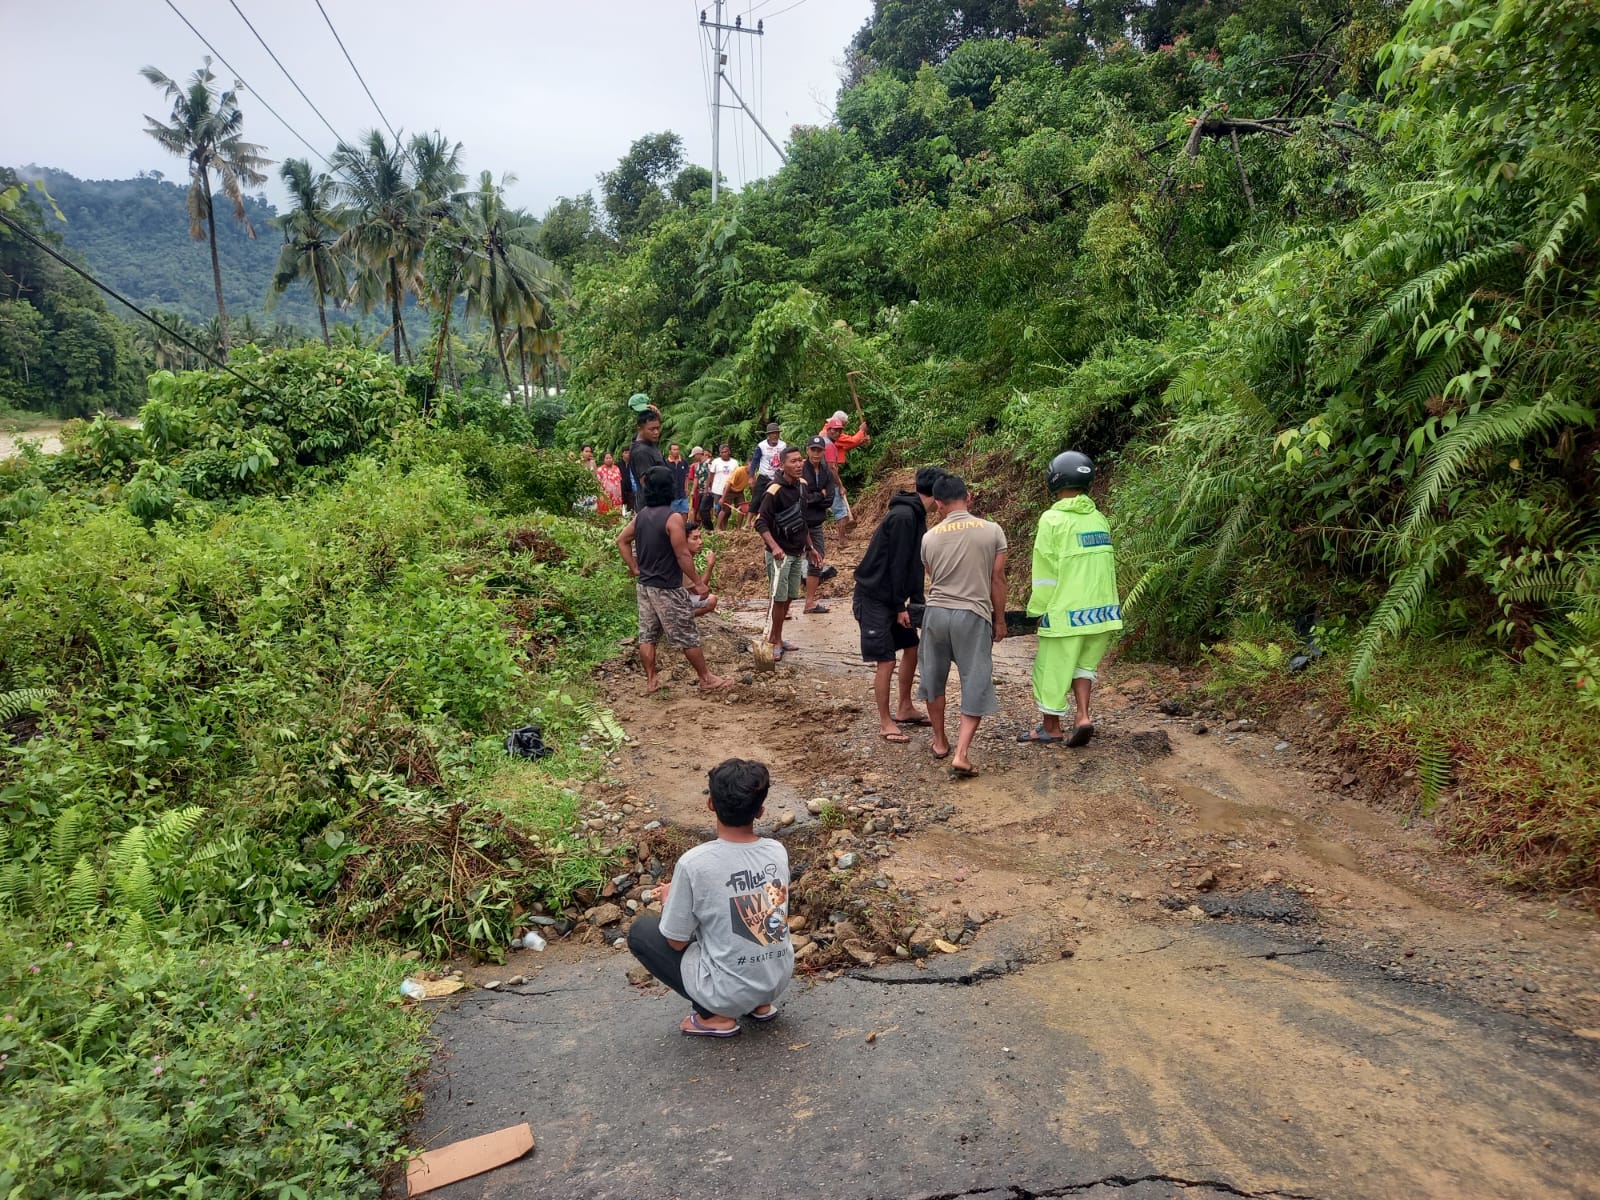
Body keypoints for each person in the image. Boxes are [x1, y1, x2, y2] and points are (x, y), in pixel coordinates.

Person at [627, 758, 792, 1037]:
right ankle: (760, 1005)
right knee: (758, 917)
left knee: (642, 931)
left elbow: (676, 942)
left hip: (727, 992)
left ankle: (715, 1017)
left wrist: (670, 900)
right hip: (776, 982)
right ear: (761, 811)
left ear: (710, 804)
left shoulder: (694, 863)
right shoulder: (777, 851)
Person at [1019, 451, 1122, 748]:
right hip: (1101, 613)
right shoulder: (1099, 518)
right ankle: (1083, 716)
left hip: (1066, 612)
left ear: (1055, 479)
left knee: (1051, 668)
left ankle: (1050, 728)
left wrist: (1038, 609)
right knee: (1083, 666)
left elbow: (1045, 572)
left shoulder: (1052, 519)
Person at [918, 473, 1008, 777]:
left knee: (933, 678)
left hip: (936, 615)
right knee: (975, 679)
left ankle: (940, 741)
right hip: (973, 614)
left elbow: (932, 574)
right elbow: (997, 579)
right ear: (968, 497)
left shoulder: (929, 538)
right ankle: (962, 753)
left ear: (939, 504)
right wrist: (1000, 619)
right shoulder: (992, 531)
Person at [616, 466, 732, 693]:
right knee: (687, 634)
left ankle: (651, 681)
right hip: (667, 588)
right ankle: (706, 678)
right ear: (669, 488)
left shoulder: (640, 517)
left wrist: (634, 567)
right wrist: (698, 582)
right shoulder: (673, 518)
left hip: (645, 586)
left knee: (647, 635)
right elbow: (682, 554)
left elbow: (621, 541)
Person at [853, 467, 942, 743]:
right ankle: (885, 721)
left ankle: (904, 707)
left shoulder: (916, 515)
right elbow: (896, 564)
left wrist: (916, 602)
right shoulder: (904, 516)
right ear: (938, 493)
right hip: (874, 597)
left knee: (912, 648)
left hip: (892, 597)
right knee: (886, 659)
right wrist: (899, 607)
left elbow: (914, 564)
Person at [755, 447, 818, 661]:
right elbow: (760, 522)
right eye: (793, 461)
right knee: (779, 599)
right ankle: (776, 640)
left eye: (800, 460)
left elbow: (801, 520)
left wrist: (810, 547)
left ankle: (776, 635)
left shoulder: (802, 486)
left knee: (791, 596)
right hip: (779, 556)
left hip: (796, 551)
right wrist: (774, 547)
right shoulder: (774, 490)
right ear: (782, 465)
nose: (799, 464)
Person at [819, 377, 871, 540]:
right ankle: (842, 539)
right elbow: (850, 441)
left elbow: (847, 445)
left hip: (826, 472)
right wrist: (861, 432)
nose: (840, 432)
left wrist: (861, 440)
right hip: (828, 472)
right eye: (838, 429)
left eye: (841, 430)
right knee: (838, 502)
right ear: (832, 427)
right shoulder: (828, 439)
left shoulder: (831, 438)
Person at [800, 435, 840, 615]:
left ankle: (809, 602)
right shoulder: (800, 469)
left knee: (817, 560)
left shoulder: (827, 472)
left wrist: (817, 497)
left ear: (824, 452)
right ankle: (781, 606)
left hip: (816, 523)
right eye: (813, 450)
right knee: (790, 561)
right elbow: (803, 499)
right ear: (807, 450)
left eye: (819, 450)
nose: (816, 453)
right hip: (798, 523)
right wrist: (820, 495)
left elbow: (830, 499)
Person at [629, 407, 667, 499]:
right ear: (640, 429)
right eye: (652, 429)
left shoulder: (648, 443)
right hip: (652, 506)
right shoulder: (641, 452)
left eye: (658, 428)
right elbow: (646, 485)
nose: (656, 432)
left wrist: (657, 415)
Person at [684, 521, 719, 617]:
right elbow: (701, 591)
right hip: (675, 600)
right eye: (695, 538)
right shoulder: (684, 560)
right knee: (711, 600)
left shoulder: (688, 557)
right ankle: (682, 616)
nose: (700, 542)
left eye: (700, 537)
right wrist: (710, 565)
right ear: (684, 541)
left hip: (680, 597)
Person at [750, 422, 787, 491]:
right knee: (756, 500)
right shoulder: (761, 446)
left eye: (777, 433)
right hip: (764, 478)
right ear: (768, 435)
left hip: (779, 477)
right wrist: (751, 477)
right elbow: (755, 461)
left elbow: (786, 459)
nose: (775, 435)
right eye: (772, 433)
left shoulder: (783, 445)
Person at [718, 459, 753, 531]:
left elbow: (752, 486)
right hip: (730, 490)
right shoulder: (739, 470)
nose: (752, 468)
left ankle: (738, 529)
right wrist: (722, 498)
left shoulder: (752, 474)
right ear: (747, 464)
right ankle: (717, 527)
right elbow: (729, 484)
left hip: (739, 491)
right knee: (725, 509)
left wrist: (754, 497)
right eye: (751, 466)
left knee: (743, 509)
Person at [707, 443, 737, 527]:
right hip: (717, 490)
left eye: (726, 451)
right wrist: (711, 486)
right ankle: (719, 528)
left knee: (727, 511)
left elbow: (736, 476)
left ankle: (724, 528)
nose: (724, 453)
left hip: (729, 491)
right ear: (720, 453)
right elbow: (711, 475)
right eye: (722, 452)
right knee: (718, 510)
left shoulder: (734, 462)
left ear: (729, 452)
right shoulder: (716, 462)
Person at [689, 446, 715, 526]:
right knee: (700, 510)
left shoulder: (709, 463)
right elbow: (696, 478)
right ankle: (705, 527)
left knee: (704, 509)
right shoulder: (698, 465)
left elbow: (712, 476)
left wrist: (709, 488)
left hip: (708, 490)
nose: (694, 458)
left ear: (698, 454)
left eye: (694, 456)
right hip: (700, 490)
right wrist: (693, 490)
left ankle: (709, 528)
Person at [666, 442, 691, 515]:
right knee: (673, 514)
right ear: (670, 451)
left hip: (682, 493)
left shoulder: (684, 462)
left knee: (685, 512)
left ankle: (683, 526)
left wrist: (686, 488)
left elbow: (686, 476)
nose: (676, 451)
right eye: (674, 449)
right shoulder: (666, 463)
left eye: (677, 449)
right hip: (672, 494)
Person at [618, 449, 635, 514]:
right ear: (622, 454)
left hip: (631, 490)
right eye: (626, 452)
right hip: (621, 490)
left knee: (631, 508)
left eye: (629, 452)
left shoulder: (633, 464)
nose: (628, 454)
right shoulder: (618, 465)